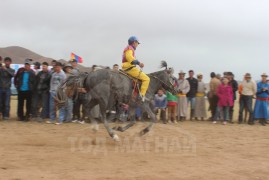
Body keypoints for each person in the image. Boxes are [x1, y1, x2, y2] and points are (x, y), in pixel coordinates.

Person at [122, 36, 150, 102]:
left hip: (127, 67)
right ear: (134, 42)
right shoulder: (130, 48)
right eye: (137, 43)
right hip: (129, 67)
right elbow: (130, 59)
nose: (138, 44)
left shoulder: (129, 48)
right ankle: (142, 95)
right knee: (146, 79)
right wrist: (139, 63)